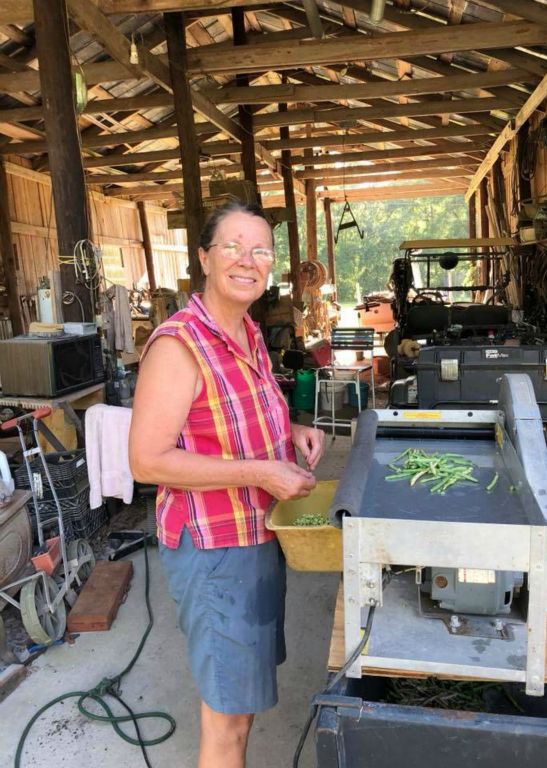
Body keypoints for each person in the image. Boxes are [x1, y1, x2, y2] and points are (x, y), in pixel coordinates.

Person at [129, 201, 325, 768]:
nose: (248, 260)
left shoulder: (246, 332)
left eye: (260, 249)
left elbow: (228, 415)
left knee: (241, 700)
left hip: (254, 533)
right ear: (204, 259)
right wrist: (262, 472)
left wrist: (289, 430)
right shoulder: (179, 345)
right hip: (216, 549)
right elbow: (147, 460)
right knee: (228, 719)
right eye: (232, 247)